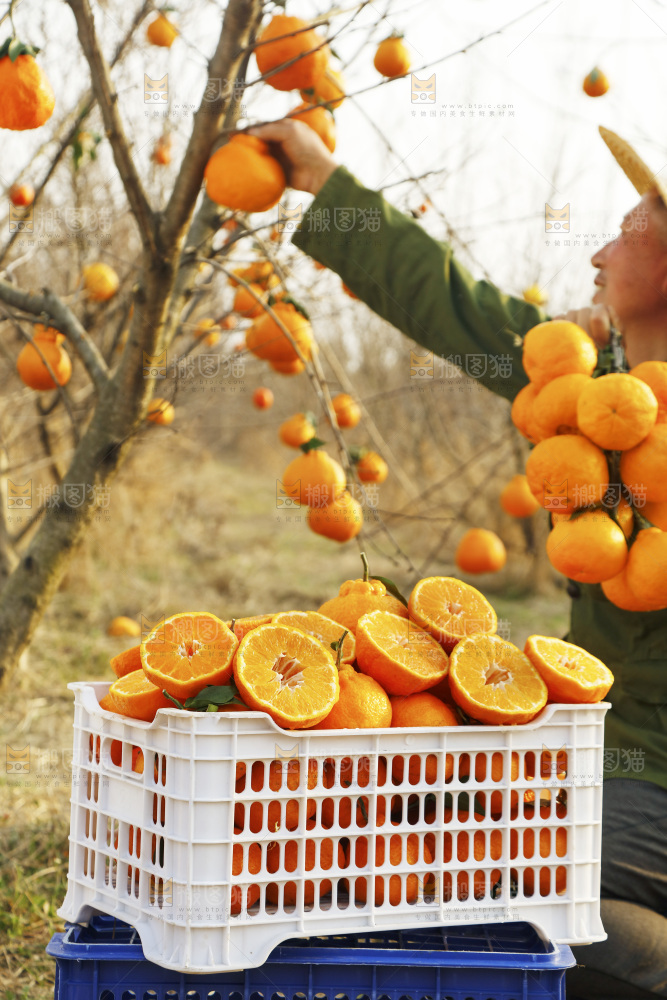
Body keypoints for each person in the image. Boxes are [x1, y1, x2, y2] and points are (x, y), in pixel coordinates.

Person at [248, 118, 667, 996]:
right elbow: (451, 304)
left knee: (473, 913)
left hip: (649, 788)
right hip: (609, 766)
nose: (595, 251)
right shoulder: (580, 398)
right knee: (429, 869)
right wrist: (328, 186)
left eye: (626, 231)